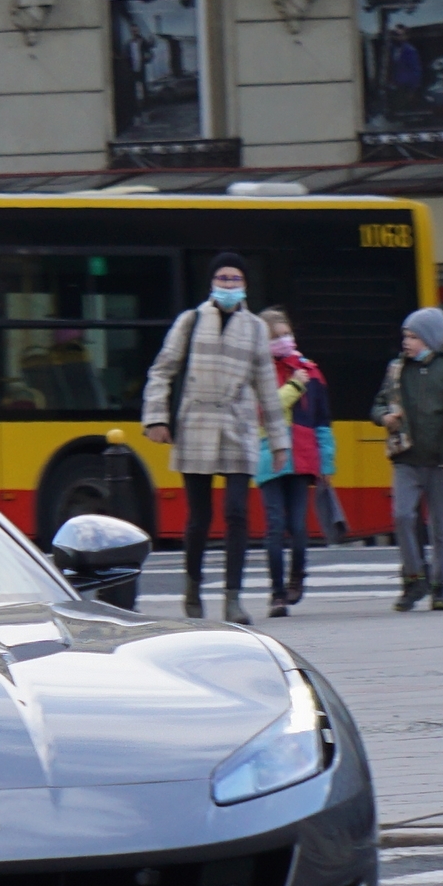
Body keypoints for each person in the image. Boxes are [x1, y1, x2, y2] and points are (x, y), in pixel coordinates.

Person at [141, 251, 287, 624]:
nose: (227, 285)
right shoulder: (190, 321)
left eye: (234, 279)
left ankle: (233, 599)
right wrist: (156, 417)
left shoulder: (255, 327)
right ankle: (192, 590)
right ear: (211, 283)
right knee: (198, 517)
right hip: (196, 422)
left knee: (237, 512)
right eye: (222, 278)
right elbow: (163, 369)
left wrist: (279, 439)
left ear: (245, 286)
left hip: (237, 424)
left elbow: (267, 385)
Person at [372, 305, 443, 611]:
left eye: (413, 336)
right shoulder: (397, 370)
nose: (407, 341)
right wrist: (385, 417)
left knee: (440, 528)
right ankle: (414, 577)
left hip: (440, 461)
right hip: (406, 458)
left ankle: (439, 586)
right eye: (405, 335)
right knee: (402, 516)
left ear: (429, 340)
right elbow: (377, 405)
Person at [253, 307, 333, 618]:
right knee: (274, 526)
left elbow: (322, 421)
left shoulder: (310, 370)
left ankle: (296, 579)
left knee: (298, 525)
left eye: (287, 334)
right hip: (268, 454)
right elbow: (264, 410)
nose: (284, 340)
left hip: (302, 456)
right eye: (276, 337)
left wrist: (326, 462)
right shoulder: (258, 372)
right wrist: (295, 386)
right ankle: (277, 594)